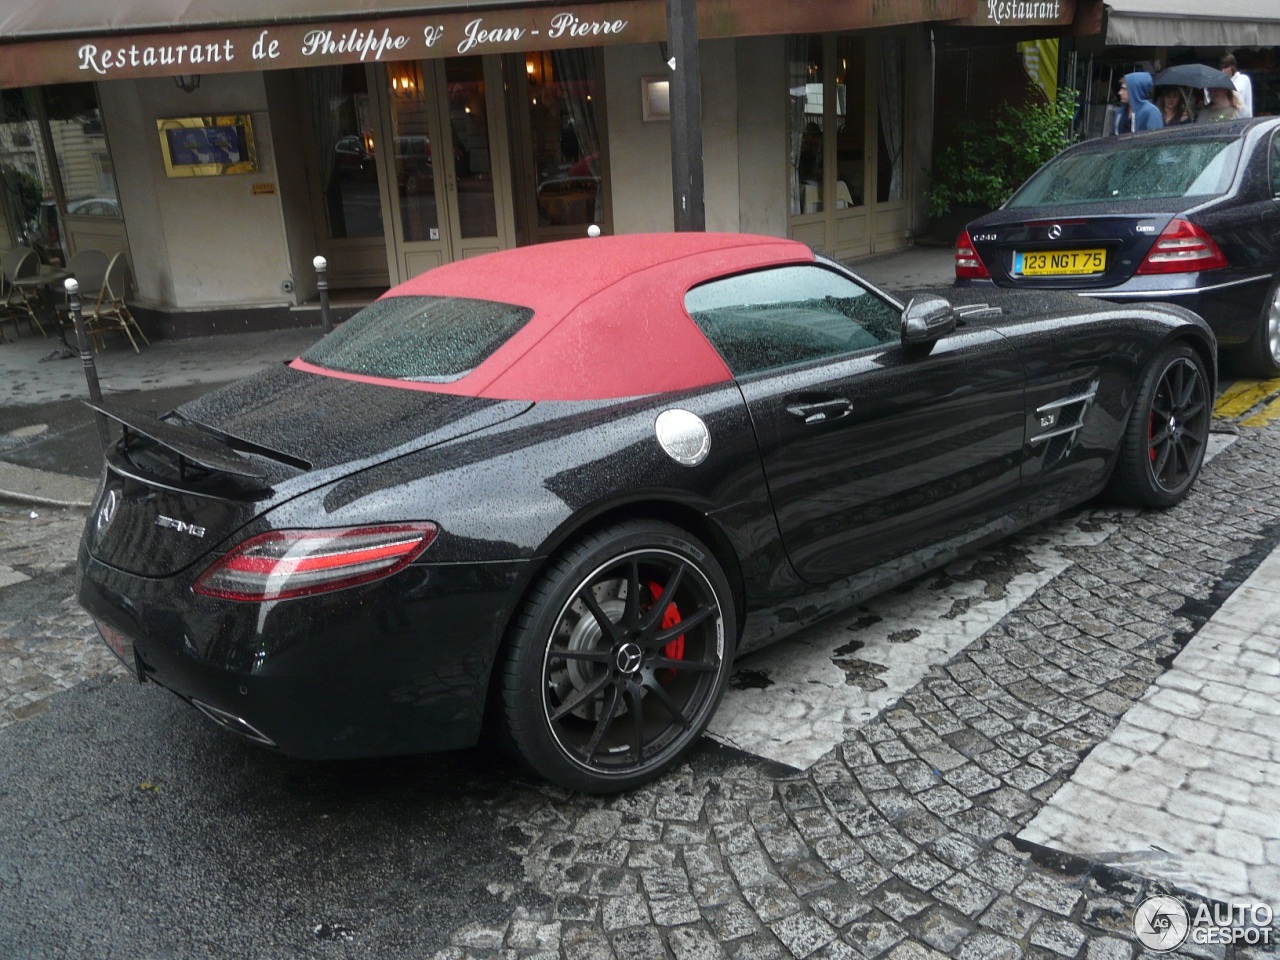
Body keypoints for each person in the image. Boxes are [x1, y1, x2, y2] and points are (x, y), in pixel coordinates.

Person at [1220, 53, 1253, 119]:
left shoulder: (1243, 79)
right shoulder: (1222, 83)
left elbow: (1236, 96)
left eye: (1225, 67)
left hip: (1242, 119)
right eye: (1221, 68)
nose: (1222, 71)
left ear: (1232, 67)